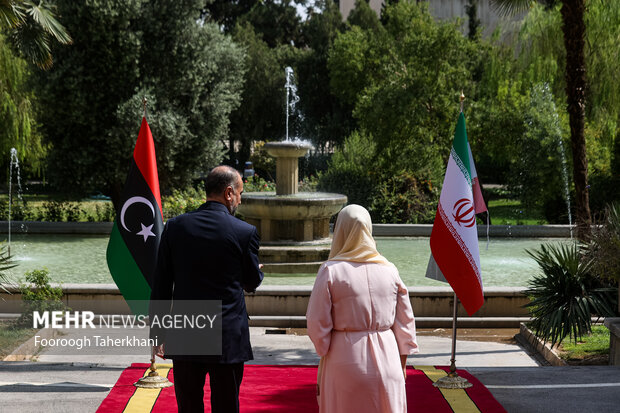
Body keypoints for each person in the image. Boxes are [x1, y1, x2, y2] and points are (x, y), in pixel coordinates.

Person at [150, 165, 264, 413]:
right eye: (240, 193)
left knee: (189, 405)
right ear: (229, 193)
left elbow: (161, 283)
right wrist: (255, 269)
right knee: (226, 405)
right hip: (227, 333)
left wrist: (157, 333)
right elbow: (252, 281)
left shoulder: (175, 227)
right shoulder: (245, 232)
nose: (240, 200)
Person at [306, 204, 418, 413]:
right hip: (388, 357)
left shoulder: (330, 271)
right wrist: (402, 361)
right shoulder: (390, 270)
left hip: (345, 358)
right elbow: (406, 322)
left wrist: (324, 348)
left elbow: (316, 321)